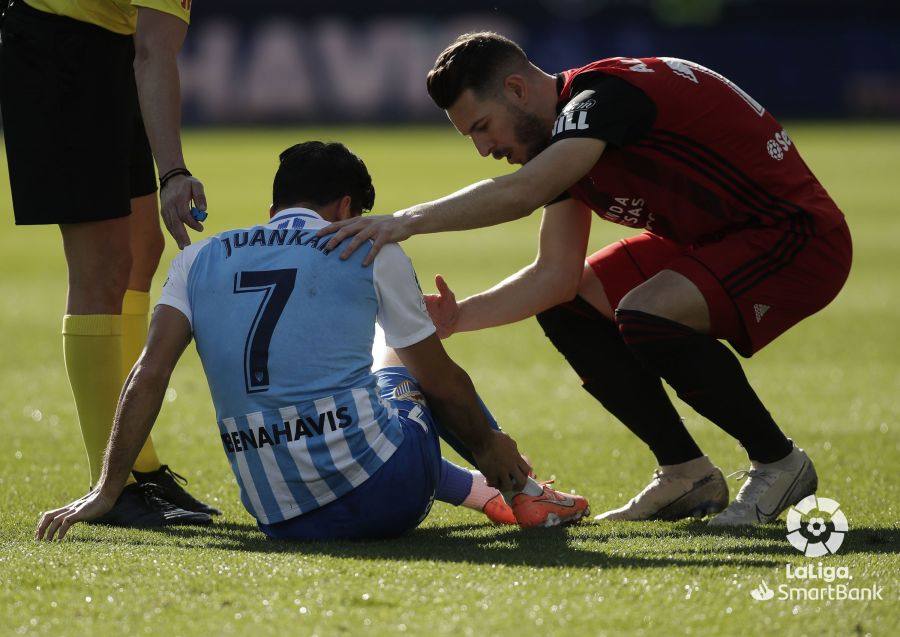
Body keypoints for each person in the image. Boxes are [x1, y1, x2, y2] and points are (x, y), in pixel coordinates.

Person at [317, 33, 853, 526]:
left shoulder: (601, 99)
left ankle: (778, 461)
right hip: (719, 239)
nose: (483, 148)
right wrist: (460, 317)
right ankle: (685, 472)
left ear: (516, 88)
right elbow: (555, 277)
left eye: (482, 127)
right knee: (570, 303)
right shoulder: (562, 138)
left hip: (794, 236)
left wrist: (403, 222)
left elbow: (521, 193)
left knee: (646, 311)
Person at [35, 142, 589, 542]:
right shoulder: (369, 246)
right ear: (348, 208)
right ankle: (522, 490)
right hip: (386, 498)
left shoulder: (196, 259)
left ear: (273, 208)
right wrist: (494, 443)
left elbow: (148, 376)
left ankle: (484, 492)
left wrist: (108, 489)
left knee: (373, 399)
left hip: (279, 516)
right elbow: (442, 381)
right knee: (401, 364)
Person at [0, 0, 214, 525]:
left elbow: (145, 48)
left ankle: (138, 467)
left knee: (143, 249)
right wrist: (174, 173)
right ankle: (109, 487)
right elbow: (154, 51)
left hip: (101, 49)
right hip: (59, 49)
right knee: (104, 266)